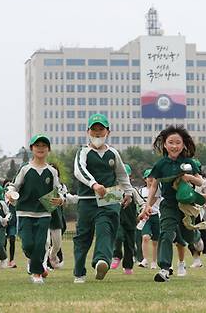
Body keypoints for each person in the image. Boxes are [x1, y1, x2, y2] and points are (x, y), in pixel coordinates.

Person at [72, 113, 134, 283]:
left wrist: (128, 193)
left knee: (106, 229)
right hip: (87, 200)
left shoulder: (113, 153)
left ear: (108, 132)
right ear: (88, 132)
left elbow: (122, 175)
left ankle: (102, 261)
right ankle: (79, 271)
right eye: (94, 130)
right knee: (83, 236)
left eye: (101, 129)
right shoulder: (83, 151)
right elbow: (79, 170)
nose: (98, 133)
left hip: (109, 198)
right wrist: (93, 184)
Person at [139, 125, 204, 282]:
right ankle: (164, 269)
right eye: (171, 142)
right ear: (165, 145)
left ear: (183, 145)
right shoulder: (161, 165)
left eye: (178, 143)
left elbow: (200, 181)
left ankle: (196, 236)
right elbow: (154, 185)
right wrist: (147, 205)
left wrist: (190, 178)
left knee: (188, 236)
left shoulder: (189, 163)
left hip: (186, 205)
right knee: (166, 234)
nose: (174, 146)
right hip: (168, 205)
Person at [9, 134, 64, 284]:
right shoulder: (25, 169)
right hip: (24, 212)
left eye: (44, 146)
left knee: (40, 244)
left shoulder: (51, 172)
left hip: (44, 213)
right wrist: (10, 193)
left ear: (48, 150)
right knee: (28, 244)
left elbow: (59, 190)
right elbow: (14, 186)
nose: (40, 149)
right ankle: (37, 264)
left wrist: (61, 199)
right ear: (32, 149)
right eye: (37, 146)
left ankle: (37, 274)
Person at [110, 164, 143, 275]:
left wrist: (142, 213)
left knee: (129, 244)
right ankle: (116, 255)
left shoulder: (133, 191)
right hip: (117, 220)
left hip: (131, 221)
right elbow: (105, 204)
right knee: (118, 237)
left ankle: (128, 267)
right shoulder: (113, 190)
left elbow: (142, 203)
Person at [137, 169, 160, 270]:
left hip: (156, 216)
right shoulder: (141, 191)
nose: (151, 179)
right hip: (146, 218)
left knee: (155, 241)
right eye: (148, 177)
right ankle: (145, 259)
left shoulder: (158, 189)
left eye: (152, 177)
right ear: (145, 179)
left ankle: (154, 261)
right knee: (145, 237)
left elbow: (155, 200)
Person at [3, 180, 18, 268]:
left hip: (12, 222)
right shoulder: (2, 201)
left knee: (12, 239)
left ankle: (11, 260)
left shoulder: (15, 200)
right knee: (3, 241)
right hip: (4, 223)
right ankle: (4, 259)